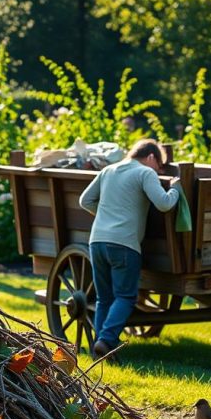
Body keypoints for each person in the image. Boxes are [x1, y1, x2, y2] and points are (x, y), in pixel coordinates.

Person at [79, 138, 180, 359]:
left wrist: (108, 216)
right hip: (124, 243)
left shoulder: (109, 170)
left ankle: (100, 346)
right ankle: (106, 340)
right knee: (125, 297)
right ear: (151, 157)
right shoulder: (145, 173)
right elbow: (164, 203)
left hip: (97, 241)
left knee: (104, 298)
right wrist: (175, 189)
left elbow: (85, 201)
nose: (159, 169)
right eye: (159, 164)